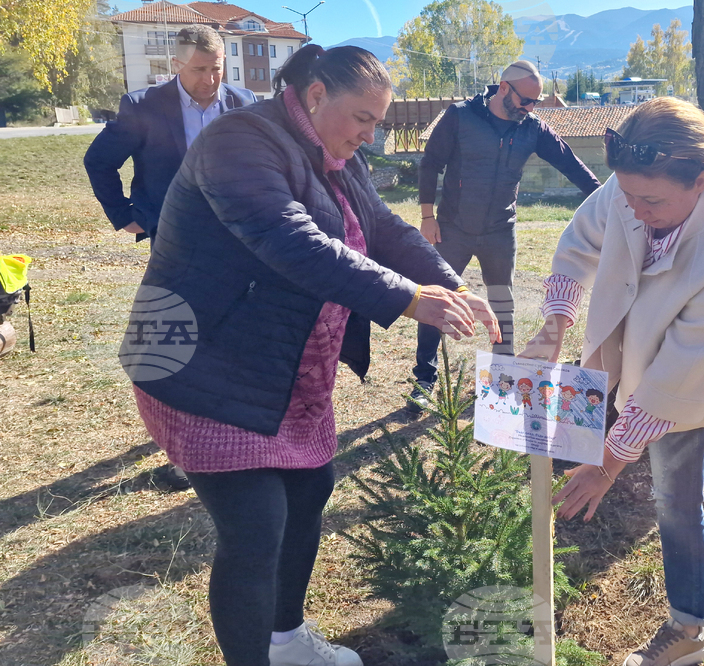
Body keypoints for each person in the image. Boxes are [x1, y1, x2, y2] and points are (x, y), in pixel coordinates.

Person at [123, 45, 499, 666]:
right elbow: (295, 243)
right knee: (254, 529)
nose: (370, 133)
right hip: (204, 364)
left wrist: (448, 282)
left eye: (378, 121)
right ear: (317, 95)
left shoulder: (336, 154)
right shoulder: (237, 142)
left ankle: (287, 640)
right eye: (363, 117)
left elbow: (382, 229)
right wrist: (408, 297)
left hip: (284, 370)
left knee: (309, 490)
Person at [522, 97, 704, 666]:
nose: (634, 210)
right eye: (627, 195)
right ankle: (687, 633)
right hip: (664, 376)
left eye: (651, 201)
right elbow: (578, 244)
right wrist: (555, 325)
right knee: (673, 506)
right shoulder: (631, 186)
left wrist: (607, 463)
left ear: (702, 181)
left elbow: (677, 382)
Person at [84, 24, 256, 491]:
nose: (210, 80)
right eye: (199, 69)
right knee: (179, 332)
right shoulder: (143, 107)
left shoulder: (244, 103)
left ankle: (227, 423)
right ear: (176, 65)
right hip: (175, 239)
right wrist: (123, 214)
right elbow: (98, 161)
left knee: (233, 327)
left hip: (238, 240)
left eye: (217, 69)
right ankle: (183, 443)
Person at [408, 59, 602, 413]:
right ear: (503, 89)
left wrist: (609, 200)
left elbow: (572, 165)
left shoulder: (532, 128)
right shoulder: (460, 117)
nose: (530, 108)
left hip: (500, 230)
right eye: (526, 101)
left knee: (502, 304)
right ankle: (424, 379)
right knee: (438, 301)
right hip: (452, 228)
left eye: (536, 103)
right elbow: (431, 163)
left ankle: (503, 379)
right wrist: (426, 215)